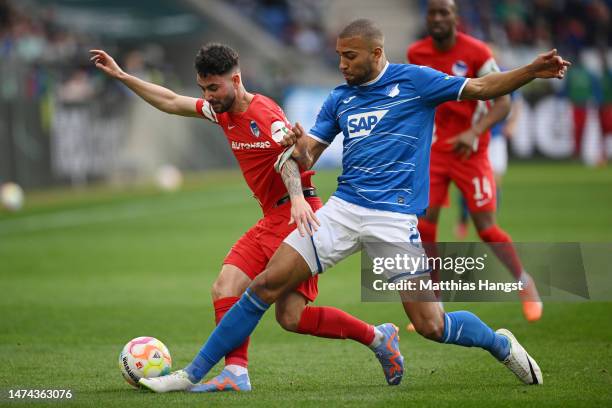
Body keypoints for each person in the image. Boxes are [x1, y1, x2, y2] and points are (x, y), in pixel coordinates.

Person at [139, 18, 569, 392]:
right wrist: (296, 146)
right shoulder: (339, 99)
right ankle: (194, 374)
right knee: (263, 286)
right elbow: (308, 154)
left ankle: (499, 343)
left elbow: (479, 87)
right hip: (341, 210)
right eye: (339, 56)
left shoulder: (415, 82)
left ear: (376, 53)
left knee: (430, 326)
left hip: (393, 219)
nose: (342, 65)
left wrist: (531, 70)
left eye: (349, 57)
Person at [90, 43, 403, 392]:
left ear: (235, 80)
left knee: (281, 312)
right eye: (203, 88)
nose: (207, 96)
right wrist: (121, 76)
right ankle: (239, 372)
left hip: (297, 216)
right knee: (254, 300)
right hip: (274, 216)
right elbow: (171, 101)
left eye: (214, 88)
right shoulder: (220, 110)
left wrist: (298, 198)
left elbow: (290, 158)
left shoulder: (265, 114)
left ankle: (377, 337)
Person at [406, 0, 542, 322]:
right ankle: (434, 304)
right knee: (424, 226)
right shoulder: (416, 54)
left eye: (444, 12)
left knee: (486, 229)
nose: (437, 18)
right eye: (432, 13)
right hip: (436, 153)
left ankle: (525, 282)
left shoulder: (478, 52)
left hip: (472, 152)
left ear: (456, 17)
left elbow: (503, 102)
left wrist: (475, 131)